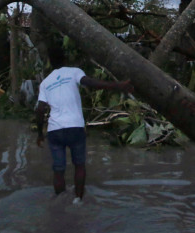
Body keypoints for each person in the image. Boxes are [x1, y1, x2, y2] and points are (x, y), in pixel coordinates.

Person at [35, 47, 133, 203]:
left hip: (55, 131)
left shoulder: (46, 82)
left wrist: (40, 133)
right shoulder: (74, 72)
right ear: (65, 58)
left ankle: (59, 203)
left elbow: (40, 109)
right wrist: (118, 86)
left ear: (50, 62)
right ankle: (77, 202)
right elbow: (91, 83)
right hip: (75, 128)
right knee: (79, 166)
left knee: (58, 170)